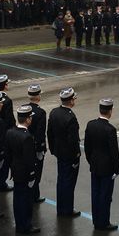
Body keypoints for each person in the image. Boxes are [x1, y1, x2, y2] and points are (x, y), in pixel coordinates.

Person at [84, 99, 119, 231]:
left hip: (94, 165)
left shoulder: (91, 125)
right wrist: (117, 168)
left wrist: (90, 160)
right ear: (110, 111)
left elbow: (87, 147)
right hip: (107, 168)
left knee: (95, 193)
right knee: (105, 196)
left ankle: (96, 221)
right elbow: (114, 152)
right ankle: (104, 222)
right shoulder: (110, 129)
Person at [5, 105, 40, 234]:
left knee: (17, 199)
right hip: (25, 173)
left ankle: (20, 223)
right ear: (28, 119)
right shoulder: (27, 137)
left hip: (16, 170)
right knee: (26, 200)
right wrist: (32, 175)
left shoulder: (10, 132)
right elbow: (29, 159)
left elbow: (8, 154)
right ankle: (26, 225)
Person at [47, 87, 81, 217]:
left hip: (59, 152)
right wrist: (76, 155)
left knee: (61, 180)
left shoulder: (54, 112)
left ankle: (61, 207)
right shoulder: (70, 117)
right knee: (69, 182)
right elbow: (73, 141)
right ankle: (67, 209)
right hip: (69, 155)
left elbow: (49, 133)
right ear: (71, 101)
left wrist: (53, 149)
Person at [27, 84, 47, 203]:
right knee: (36, 172)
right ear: (38, 96)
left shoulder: (24, 108)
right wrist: (40, 148)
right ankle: (34, 195)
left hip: (26, 144)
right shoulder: (40, 112)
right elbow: (40, 132)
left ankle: (32, 193)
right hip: (35, 146)